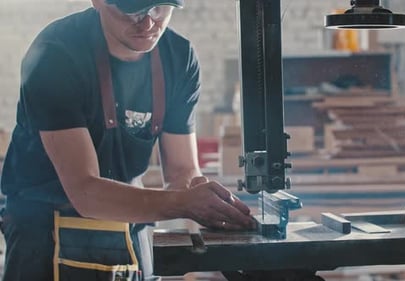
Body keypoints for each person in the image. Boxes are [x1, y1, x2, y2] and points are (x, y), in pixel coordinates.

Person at [0, 0, 256, 280]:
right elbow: (85, 192)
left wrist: (201, 197)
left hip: (131, 224)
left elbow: (182, 170)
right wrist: (183, 203)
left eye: (159, 8)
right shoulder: (55, 56)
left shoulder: (179, 58)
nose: (147, 23)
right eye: (132, 11)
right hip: (47, 232)